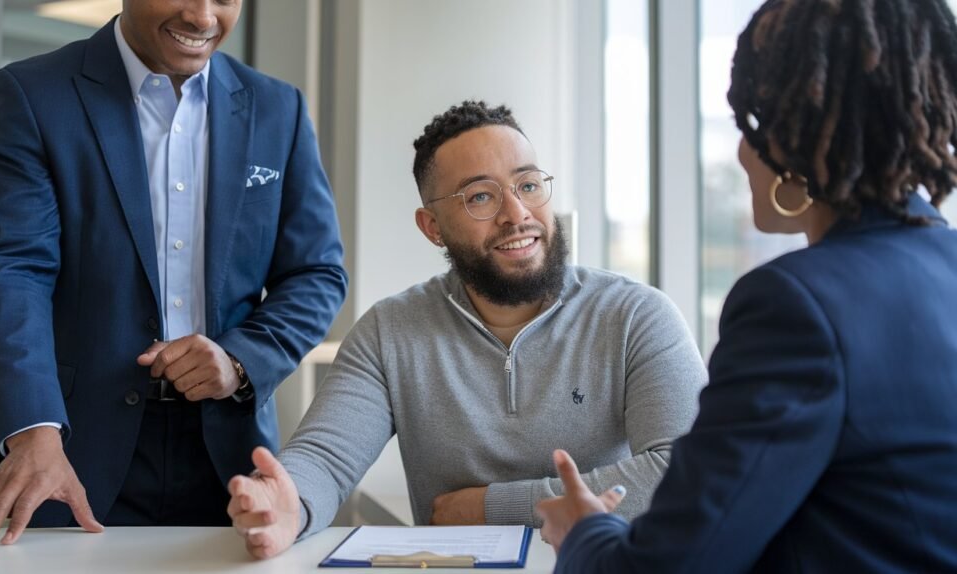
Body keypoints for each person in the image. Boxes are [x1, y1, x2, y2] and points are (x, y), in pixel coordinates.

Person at [537, 0, 957, 571]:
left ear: (791, 137)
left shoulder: (797, 306)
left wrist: (584, 532)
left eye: (752, 124)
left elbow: (674, 566)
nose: (741, 152)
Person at [224, 100, 708, 559]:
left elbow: (686, 472)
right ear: (432, 226)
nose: (517, 213)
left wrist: (490, 508)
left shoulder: (636, 316)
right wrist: (288, 502)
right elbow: (326, 459)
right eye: (481, 196)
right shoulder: (389, 332)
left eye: (529, 185)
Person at [0, 0, 346, 546]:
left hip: (230, 459)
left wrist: (239, 358)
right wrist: (33, 431)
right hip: (73, 453)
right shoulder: (36, 95)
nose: (202, 17)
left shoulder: (277, 108)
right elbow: (11, 270)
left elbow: (316, 272)